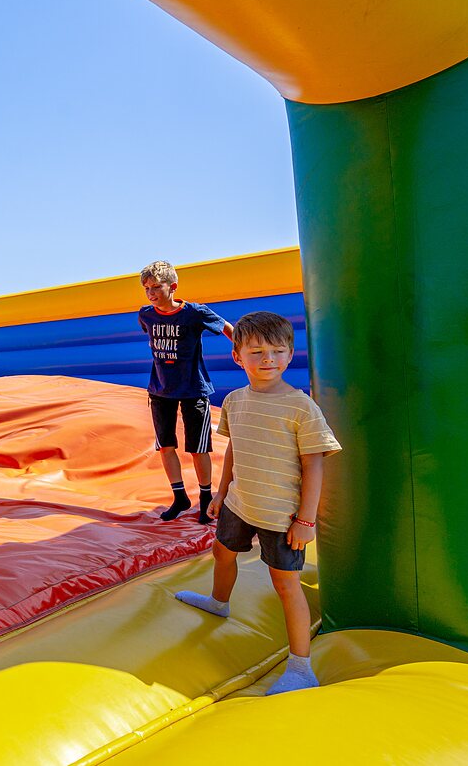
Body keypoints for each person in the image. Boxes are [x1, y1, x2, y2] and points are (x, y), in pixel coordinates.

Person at [175, 311, 341, 695]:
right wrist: (220, 491)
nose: (268, 359)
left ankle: (301, 668)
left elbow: (313, 465)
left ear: (290, 355)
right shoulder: (234, 400)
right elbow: (236, 446)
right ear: (238, 356)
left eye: (277, 351)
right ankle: (219, 602)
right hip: (240, 501)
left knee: (286, 585)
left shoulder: (301, 407)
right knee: (222, 551)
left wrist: (307, 520)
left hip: (281, 514)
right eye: (257, 351)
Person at [139, 260, 235, 522]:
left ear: (173, 286)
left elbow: (226, 327)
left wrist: (242, 349)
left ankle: (206, 498)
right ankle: (179, 496)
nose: (151, 293)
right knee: (166, 446)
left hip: (193, 388)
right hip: (160, 390)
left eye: (156, 287)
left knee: (198, 447)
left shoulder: (194, 312)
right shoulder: (146, 314)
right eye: (147, 289)